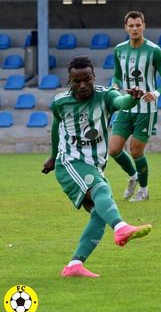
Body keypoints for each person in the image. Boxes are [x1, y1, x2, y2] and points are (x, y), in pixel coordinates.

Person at [42, 56, 152, 278]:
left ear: (93, 77)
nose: (83, 85)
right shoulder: (60, 102)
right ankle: (121, 228)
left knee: (100, 214)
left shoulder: (105, 95)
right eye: (77, 81)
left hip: (94, 164)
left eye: (87, 79)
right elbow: (56, 127)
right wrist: (54, 156)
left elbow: (121, 103)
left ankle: (74, 265)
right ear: (69, 81)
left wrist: (132, 98)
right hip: (70, 162)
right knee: (102, 191)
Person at [109, 11, 161, 202]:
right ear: (125, 28)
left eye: (138, 25)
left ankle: (144, 190)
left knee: (136, 151)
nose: (135, 29)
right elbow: (117, 75)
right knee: (113, 150)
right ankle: (133, 177)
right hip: (126, 107)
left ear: (144, 26)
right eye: (131, 26)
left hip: (146, 109)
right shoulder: (119, 50)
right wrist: (114, 86)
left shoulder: (154, 50)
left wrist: (156, 93)